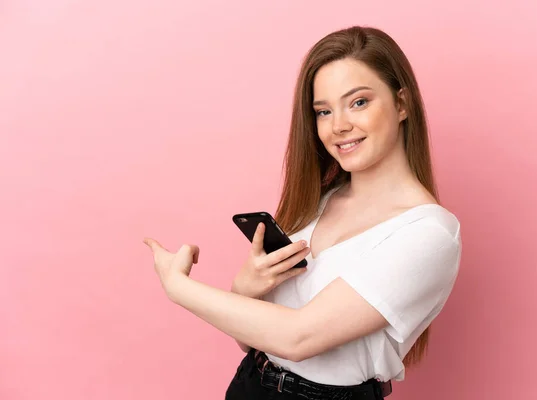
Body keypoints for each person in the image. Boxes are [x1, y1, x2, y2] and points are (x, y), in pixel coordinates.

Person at [143, 25, 462, 400]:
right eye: (323, 111)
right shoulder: (318, 201)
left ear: (402, 103)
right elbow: (251, 341)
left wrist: (178, 287)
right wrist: (245, 288)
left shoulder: (429, 233)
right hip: (251, 382)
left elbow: (298, 337)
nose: (339, 125)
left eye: (359, 102)